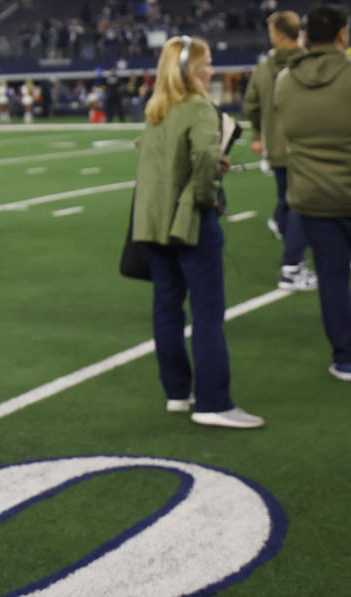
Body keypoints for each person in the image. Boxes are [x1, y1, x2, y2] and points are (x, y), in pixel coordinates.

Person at [133, 36, 264, 428]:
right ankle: (213, 402)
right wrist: (207, 197)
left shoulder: (156, 108)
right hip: (190, 221)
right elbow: (205, 158)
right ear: (191, 71)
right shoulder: (198, 107)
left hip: (152, 222)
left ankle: (177, 392)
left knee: (167, 308)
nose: (211, 71)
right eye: (206, 64)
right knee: (207, 311)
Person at [274, 5, 351, 383]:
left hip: (315, 198)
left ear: (306, 37)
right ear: (343, 35)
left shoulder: (285, 81)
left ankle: (346, 360)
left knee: (333, 280)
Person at [242, 10, 317, 291]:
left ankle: (292, 249)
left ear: (277, 34)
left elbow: (250, 105)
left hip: (274, 146)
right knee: (300, 204)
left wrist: (258, 135)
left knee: (286, 202)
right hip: (304, 145)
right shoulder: (309, 63)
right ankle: (292, 265)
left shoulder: (263, 68)